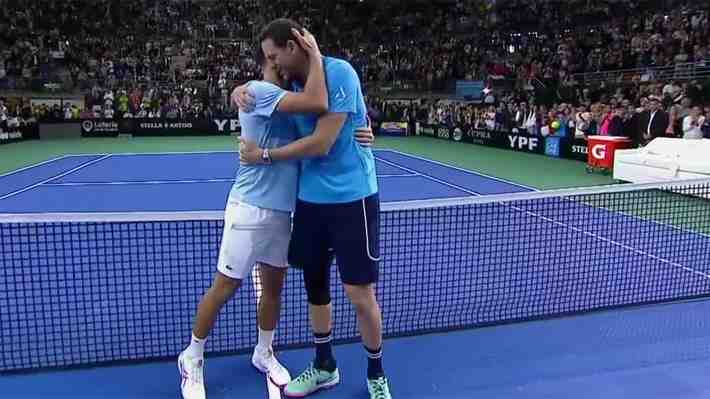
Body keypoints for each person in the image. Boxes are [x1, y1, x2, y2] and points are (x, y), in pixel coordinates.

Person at [177, 29, 374, 399]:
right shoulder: (258, 92)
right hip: (249, 208)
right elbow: (318, 103)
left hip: (283, 212)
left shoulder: (289, 94)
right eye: (271, 59)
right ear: (266, 63)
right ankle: (192, 357)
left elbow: (327, 122)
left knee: (273, 291)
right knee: (225, 287)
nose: (278, 64)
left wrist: (362, 130)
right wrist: (314, 53)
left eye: (278, 56)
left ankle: (264, 351)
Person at [235, 18, 392, 399]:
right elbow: (260, 95)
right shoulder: (288, 85)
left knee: (359, 294)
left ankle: (376, 374)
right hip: (310, 202)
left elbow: (321, 143)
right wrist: (239, 91)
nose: (273, 64)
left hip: (352, 199)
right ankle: (325, 365)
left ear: (294, 46)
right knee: (316, 289)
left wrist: (264, 156)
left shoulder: (340, 73)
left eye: (275, 56)